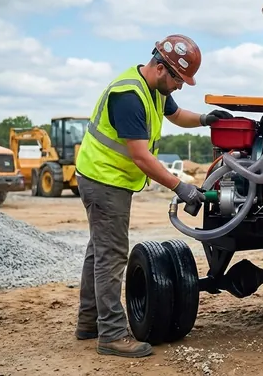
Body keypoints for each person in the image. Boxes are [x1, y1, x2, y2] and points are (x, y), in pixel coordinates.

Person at [72, 34, 233, 358]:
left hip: (106, 177)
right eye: (179, 79)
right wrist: (180, 186)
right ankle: (112, 335)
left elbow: (177, 115)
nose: (180, 86)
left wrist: (205, 120)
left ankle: (89, 322)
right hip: (104, 179)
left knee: (99, 250)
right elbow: (141, 157)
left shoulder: (155, 89)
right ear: (161, 68)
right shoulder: (129, 96)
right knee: (111, 255)